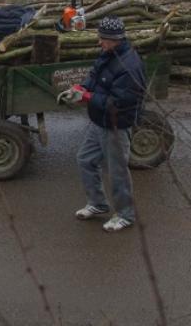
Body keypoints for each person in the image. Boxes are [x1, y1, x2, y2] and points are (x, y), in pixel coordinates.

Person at [58, 15, 146, 233]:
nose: (99, 42)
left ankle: (125, 215)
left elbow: (117, 103)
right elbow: (95, 76)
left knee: (117, 172)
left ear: (115, 39)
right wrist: (79, 88)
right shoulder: (108, 53)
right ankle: (98, 204)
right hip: (98, 121)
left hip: (116, 125)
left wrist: (86, 98)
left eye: (103, 39)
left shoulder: (129, 67)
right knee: (85, 160)